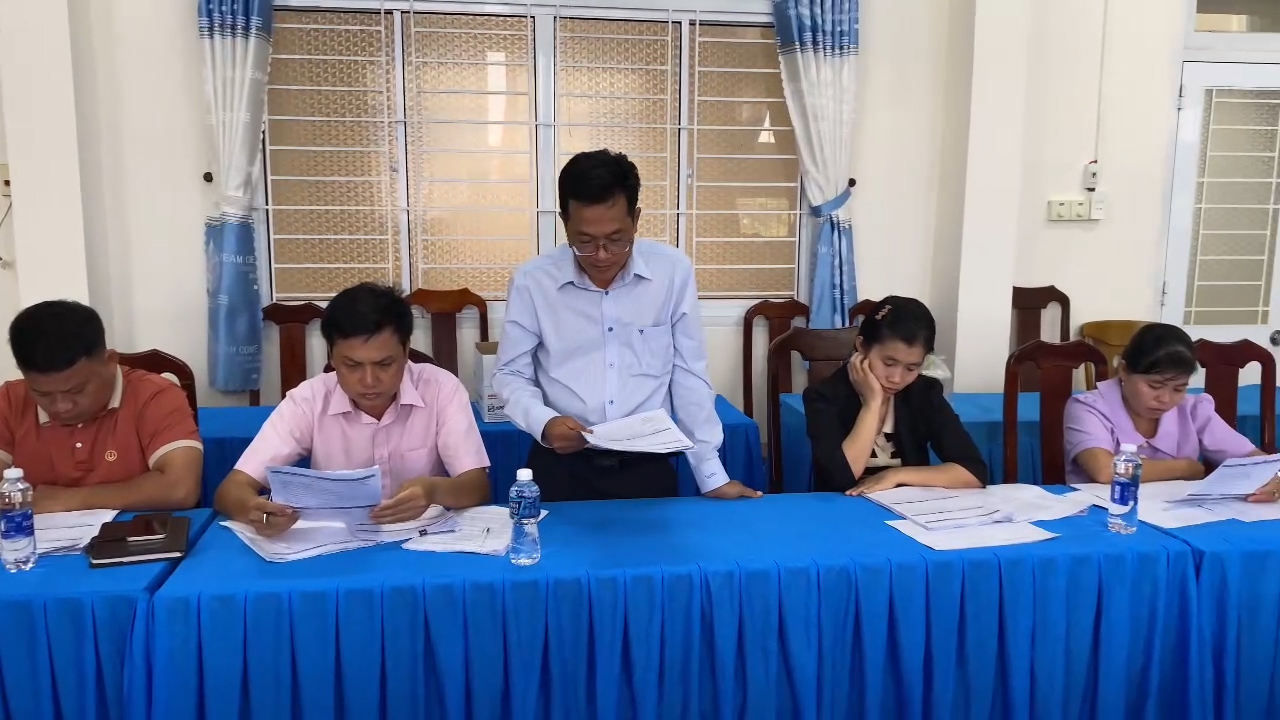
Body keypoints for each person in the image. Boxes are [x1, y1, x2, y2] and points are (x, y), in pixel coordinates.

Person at [493, 149, 761, 502]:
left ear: (636, 219)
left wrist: (711, 474)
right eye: (585, 241)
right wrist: (544, 422)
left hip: (646, 465)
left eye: (616, 239)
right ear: (564, 222)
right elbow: (510, 374)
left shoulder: (671, 272)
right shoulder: (533, 281)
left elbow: (688, 374)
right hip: (561, 465)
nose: (602, 255)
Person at [214, 283, 491, 536]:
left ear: (406, 351)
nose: (369, 381)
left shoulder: (441, 389)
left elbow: (476, 486)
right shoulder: (308, 400)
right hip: (336, 544)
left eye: (384, 364)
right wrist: (255, 512)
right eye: (352, 365)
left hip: (421, 541)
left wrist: (434, 490)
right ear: (332, 356)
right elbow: (231, 490)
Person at [0, 300, 203, 512]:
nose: (61, 406)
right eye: (42, 394)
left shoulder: (154, 395)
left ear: (110, 361)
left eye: (76, 391)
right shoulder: (10, 400)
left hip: (136, 531)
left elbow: (181, 489)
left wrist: (69, 500)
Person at [1064, 322, 1280, 501]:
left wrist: (1275, 476)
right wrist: (1184, 469)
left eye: (1178, 388)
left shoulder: (1192, 409)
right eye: (1154, 386)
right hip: (1106, 517)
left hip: (1175, 520)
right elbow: (1104, 470)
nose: (1165, 399)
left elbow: (1252, 459)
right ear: (1124, 370)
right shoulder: (1088, 407)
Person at [803, 296, 988, 495]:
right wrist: (872, 404)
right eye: (888, 364)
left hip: (907, 508)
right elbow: (839, 480)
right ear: (861, 346)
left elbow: (973, 471)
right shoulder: (824, 396)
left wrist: (896, 475)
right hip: (846, 508)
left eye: (911, 368)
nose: (896, 379)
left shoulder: (923, 393)